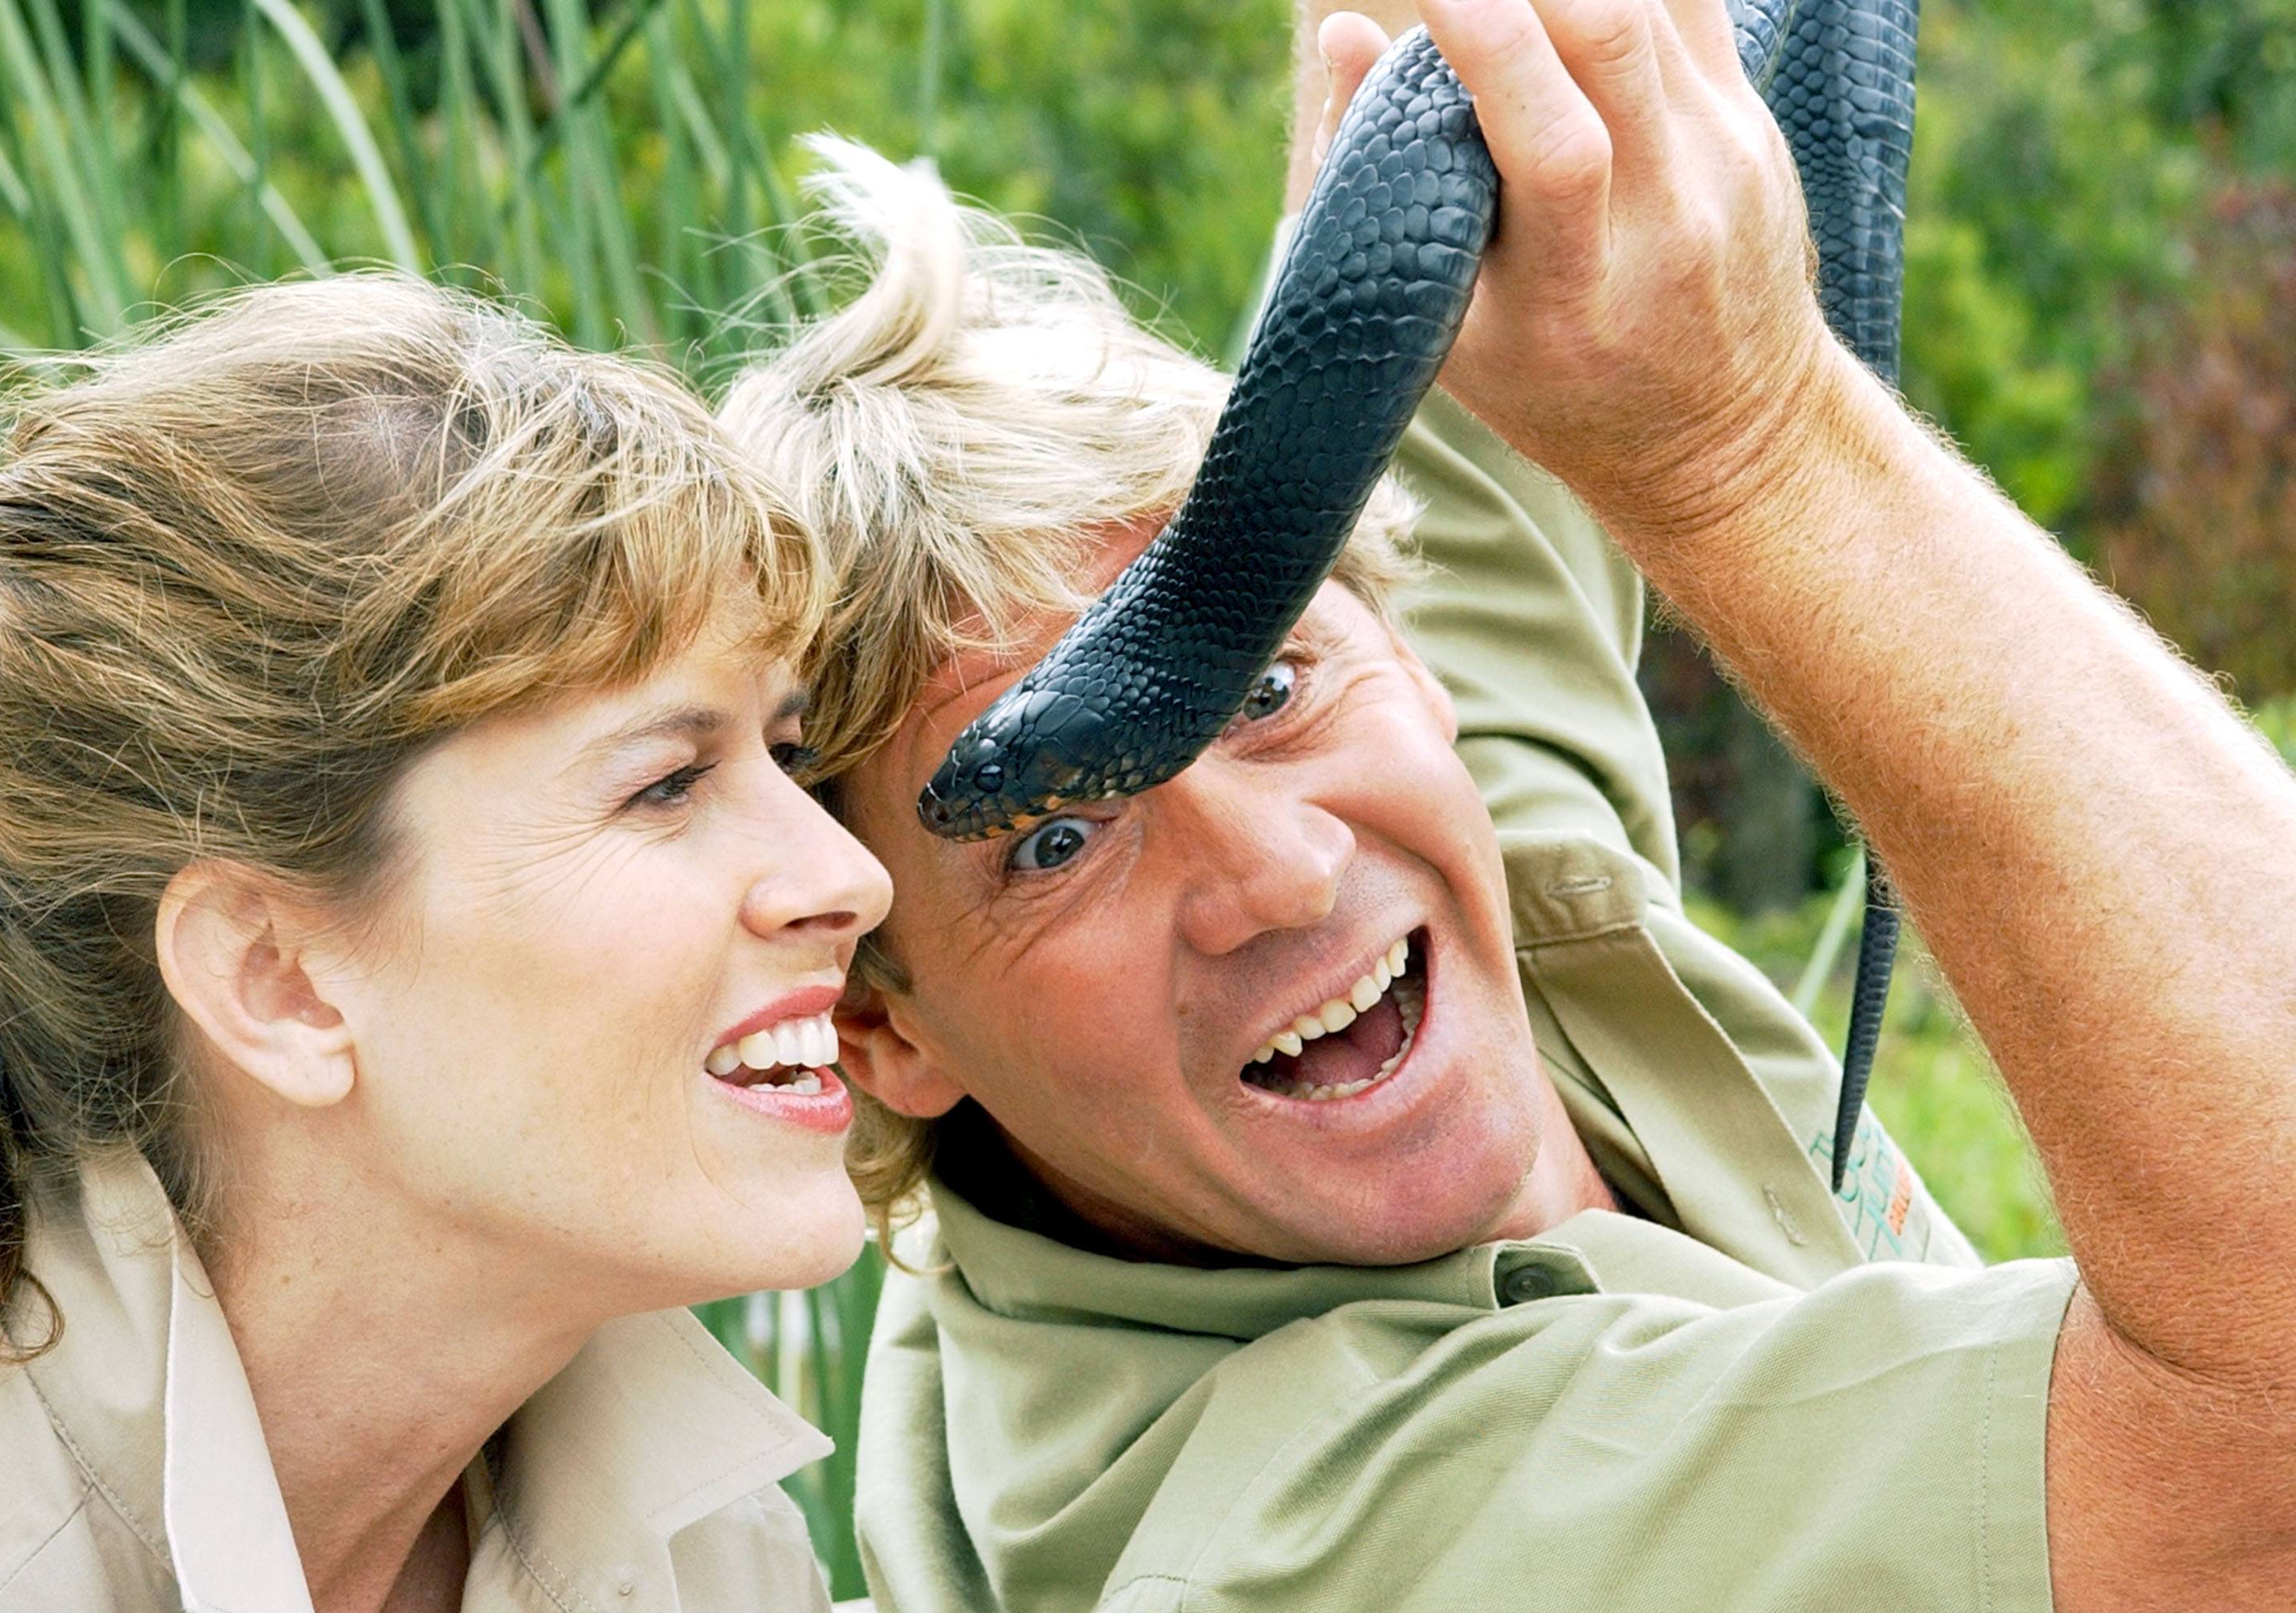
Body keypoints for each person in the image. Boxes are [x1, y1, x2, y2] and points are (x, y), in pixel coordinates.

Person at [723, 1, 2296, 1607]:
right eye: (1054, 840)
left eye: (1263, 685)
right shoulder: (1315, 1539)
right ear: (879, 1031)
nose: (1279, 870)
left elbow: (1465, 56)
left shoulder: (1388, 825)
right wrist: (1744, 444)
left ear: (1406, 646)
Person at [0, 275, 892, 1612]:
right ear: (275, 980)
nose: (852, 878)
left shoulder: (707, 1550)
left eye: (788, 754)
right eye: (665, 785)